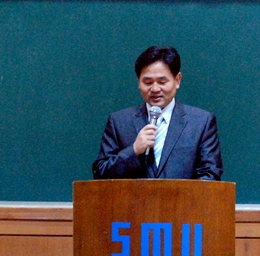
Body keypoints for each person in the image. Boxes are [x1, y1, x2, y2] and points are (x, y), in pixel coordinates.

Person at [92, 46, 223, 180]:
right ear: (139, 82)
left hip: (183, 194)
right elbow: (100, 173)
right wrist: (134, 150)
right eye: (148, 82)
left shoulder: (201, 122)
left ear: (177, 80)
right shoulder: (119, 122)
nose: (155, 89)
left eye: (162, 82)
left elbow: (210, 175)